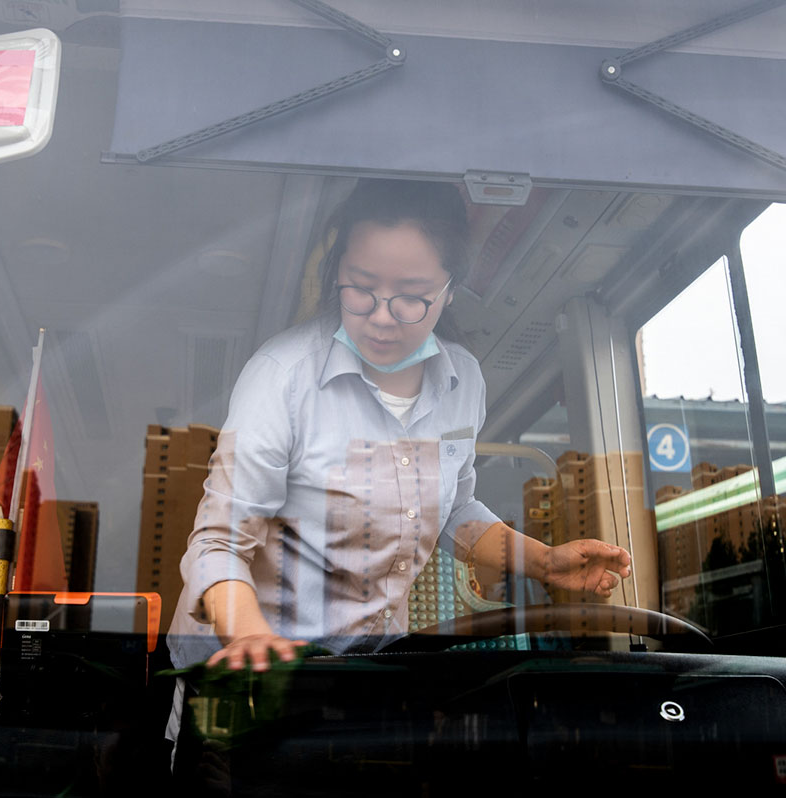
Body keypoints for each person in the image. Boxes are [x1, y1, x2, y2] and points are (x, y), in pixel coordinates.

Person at [166, 179, 632, 677]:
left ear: (450, 291)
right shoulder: (283, 376)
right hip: (250, 680)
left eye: (412, 297)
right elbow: (217, 545)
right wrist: (251, 636)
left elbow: (455, 508)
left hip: (367, 675)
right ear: (336, 271)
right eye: (361, 289)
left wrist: (542, 562)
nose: (382, 318)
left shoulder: (463, 381)